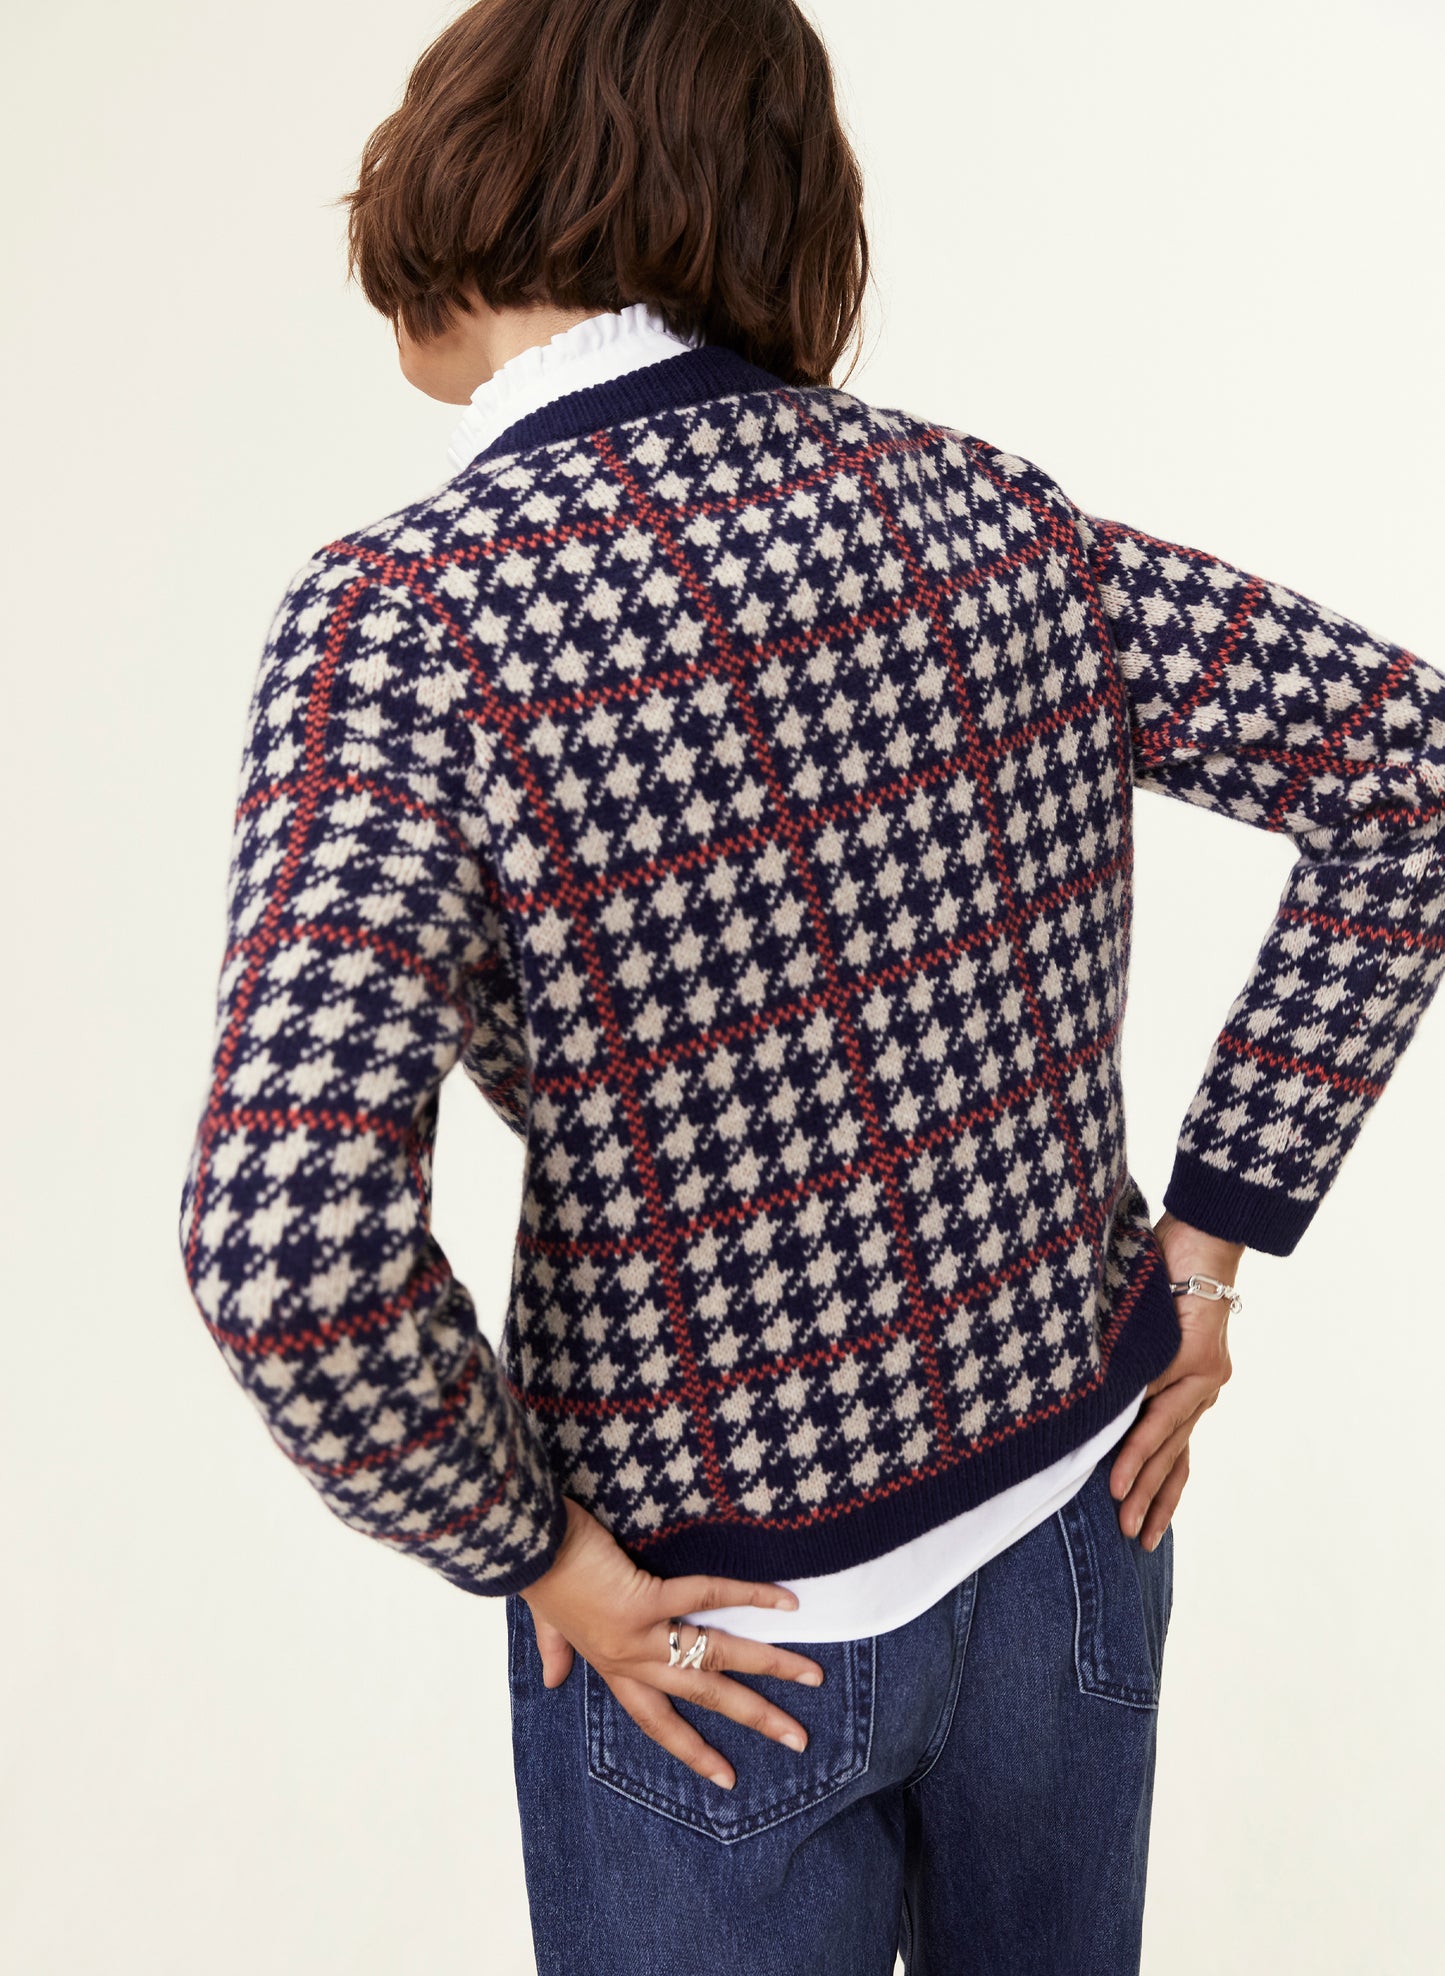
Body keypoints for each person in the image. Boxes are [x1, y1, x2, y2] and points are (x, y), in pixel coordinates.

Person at [175, 2, 1445, 1970]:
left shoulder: (408, 623)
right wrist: (1207, 1248)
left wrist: (532, 1549)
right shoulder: (987, 509)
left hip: (715, 1627)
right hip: (1078, 1526)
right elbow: (1406, 765)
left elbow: (289, 1259)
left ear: (470, 170)